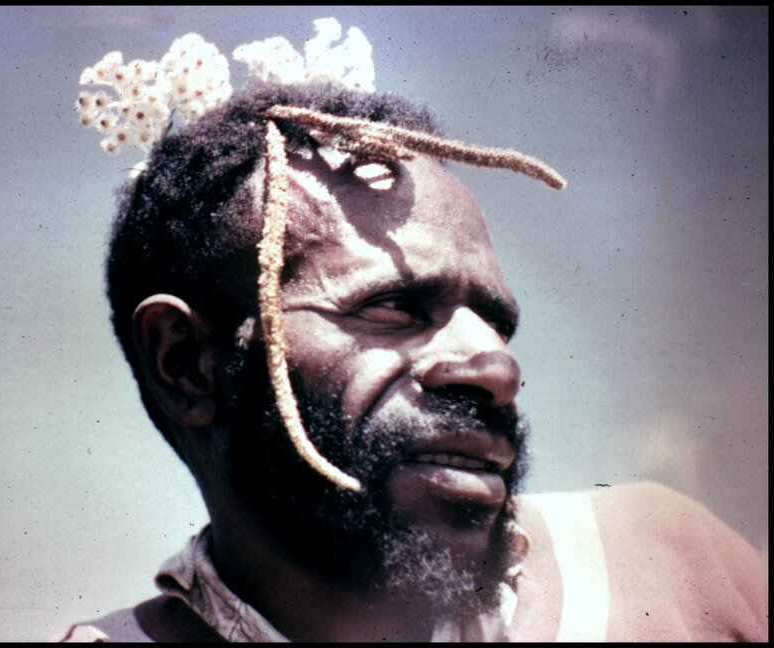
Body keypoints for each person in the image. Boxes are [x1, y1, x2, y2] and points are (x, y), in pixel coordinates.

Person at [59, 29, 767, 643]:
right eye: (395, 306)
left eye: (496, 320)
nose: (495, 367)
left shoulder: (671, 570)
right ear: (186, 365)